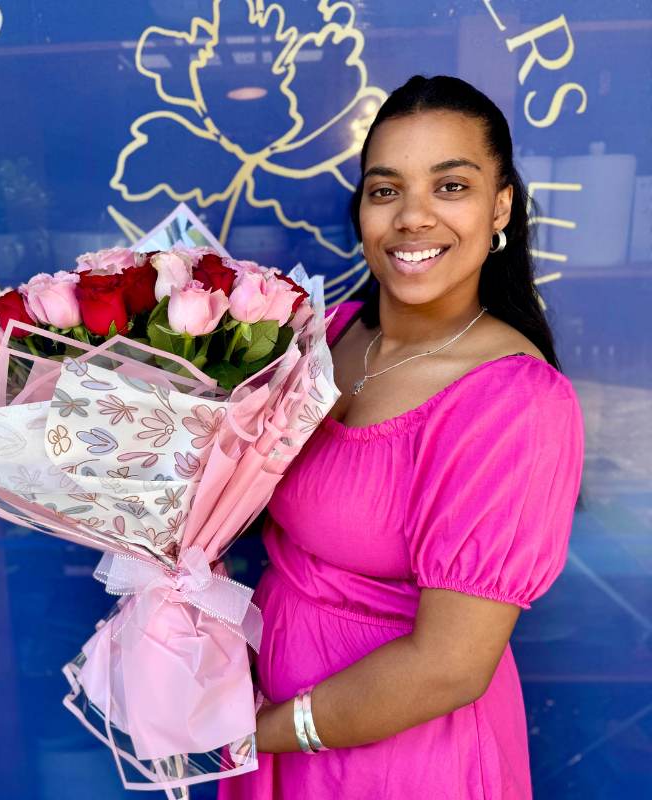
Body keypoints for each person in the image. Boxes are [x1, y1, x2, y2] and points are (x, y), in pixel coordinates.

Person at [217, 74, 585, 798]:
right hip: (270, 725)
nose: (413, 217)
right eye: (386, 190)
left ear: (500, 203)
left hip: (404, 762)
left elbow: (448, 666)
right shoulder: (329, 333)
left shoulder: (515, 401)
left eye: (450, 186)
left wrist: (242, 732)